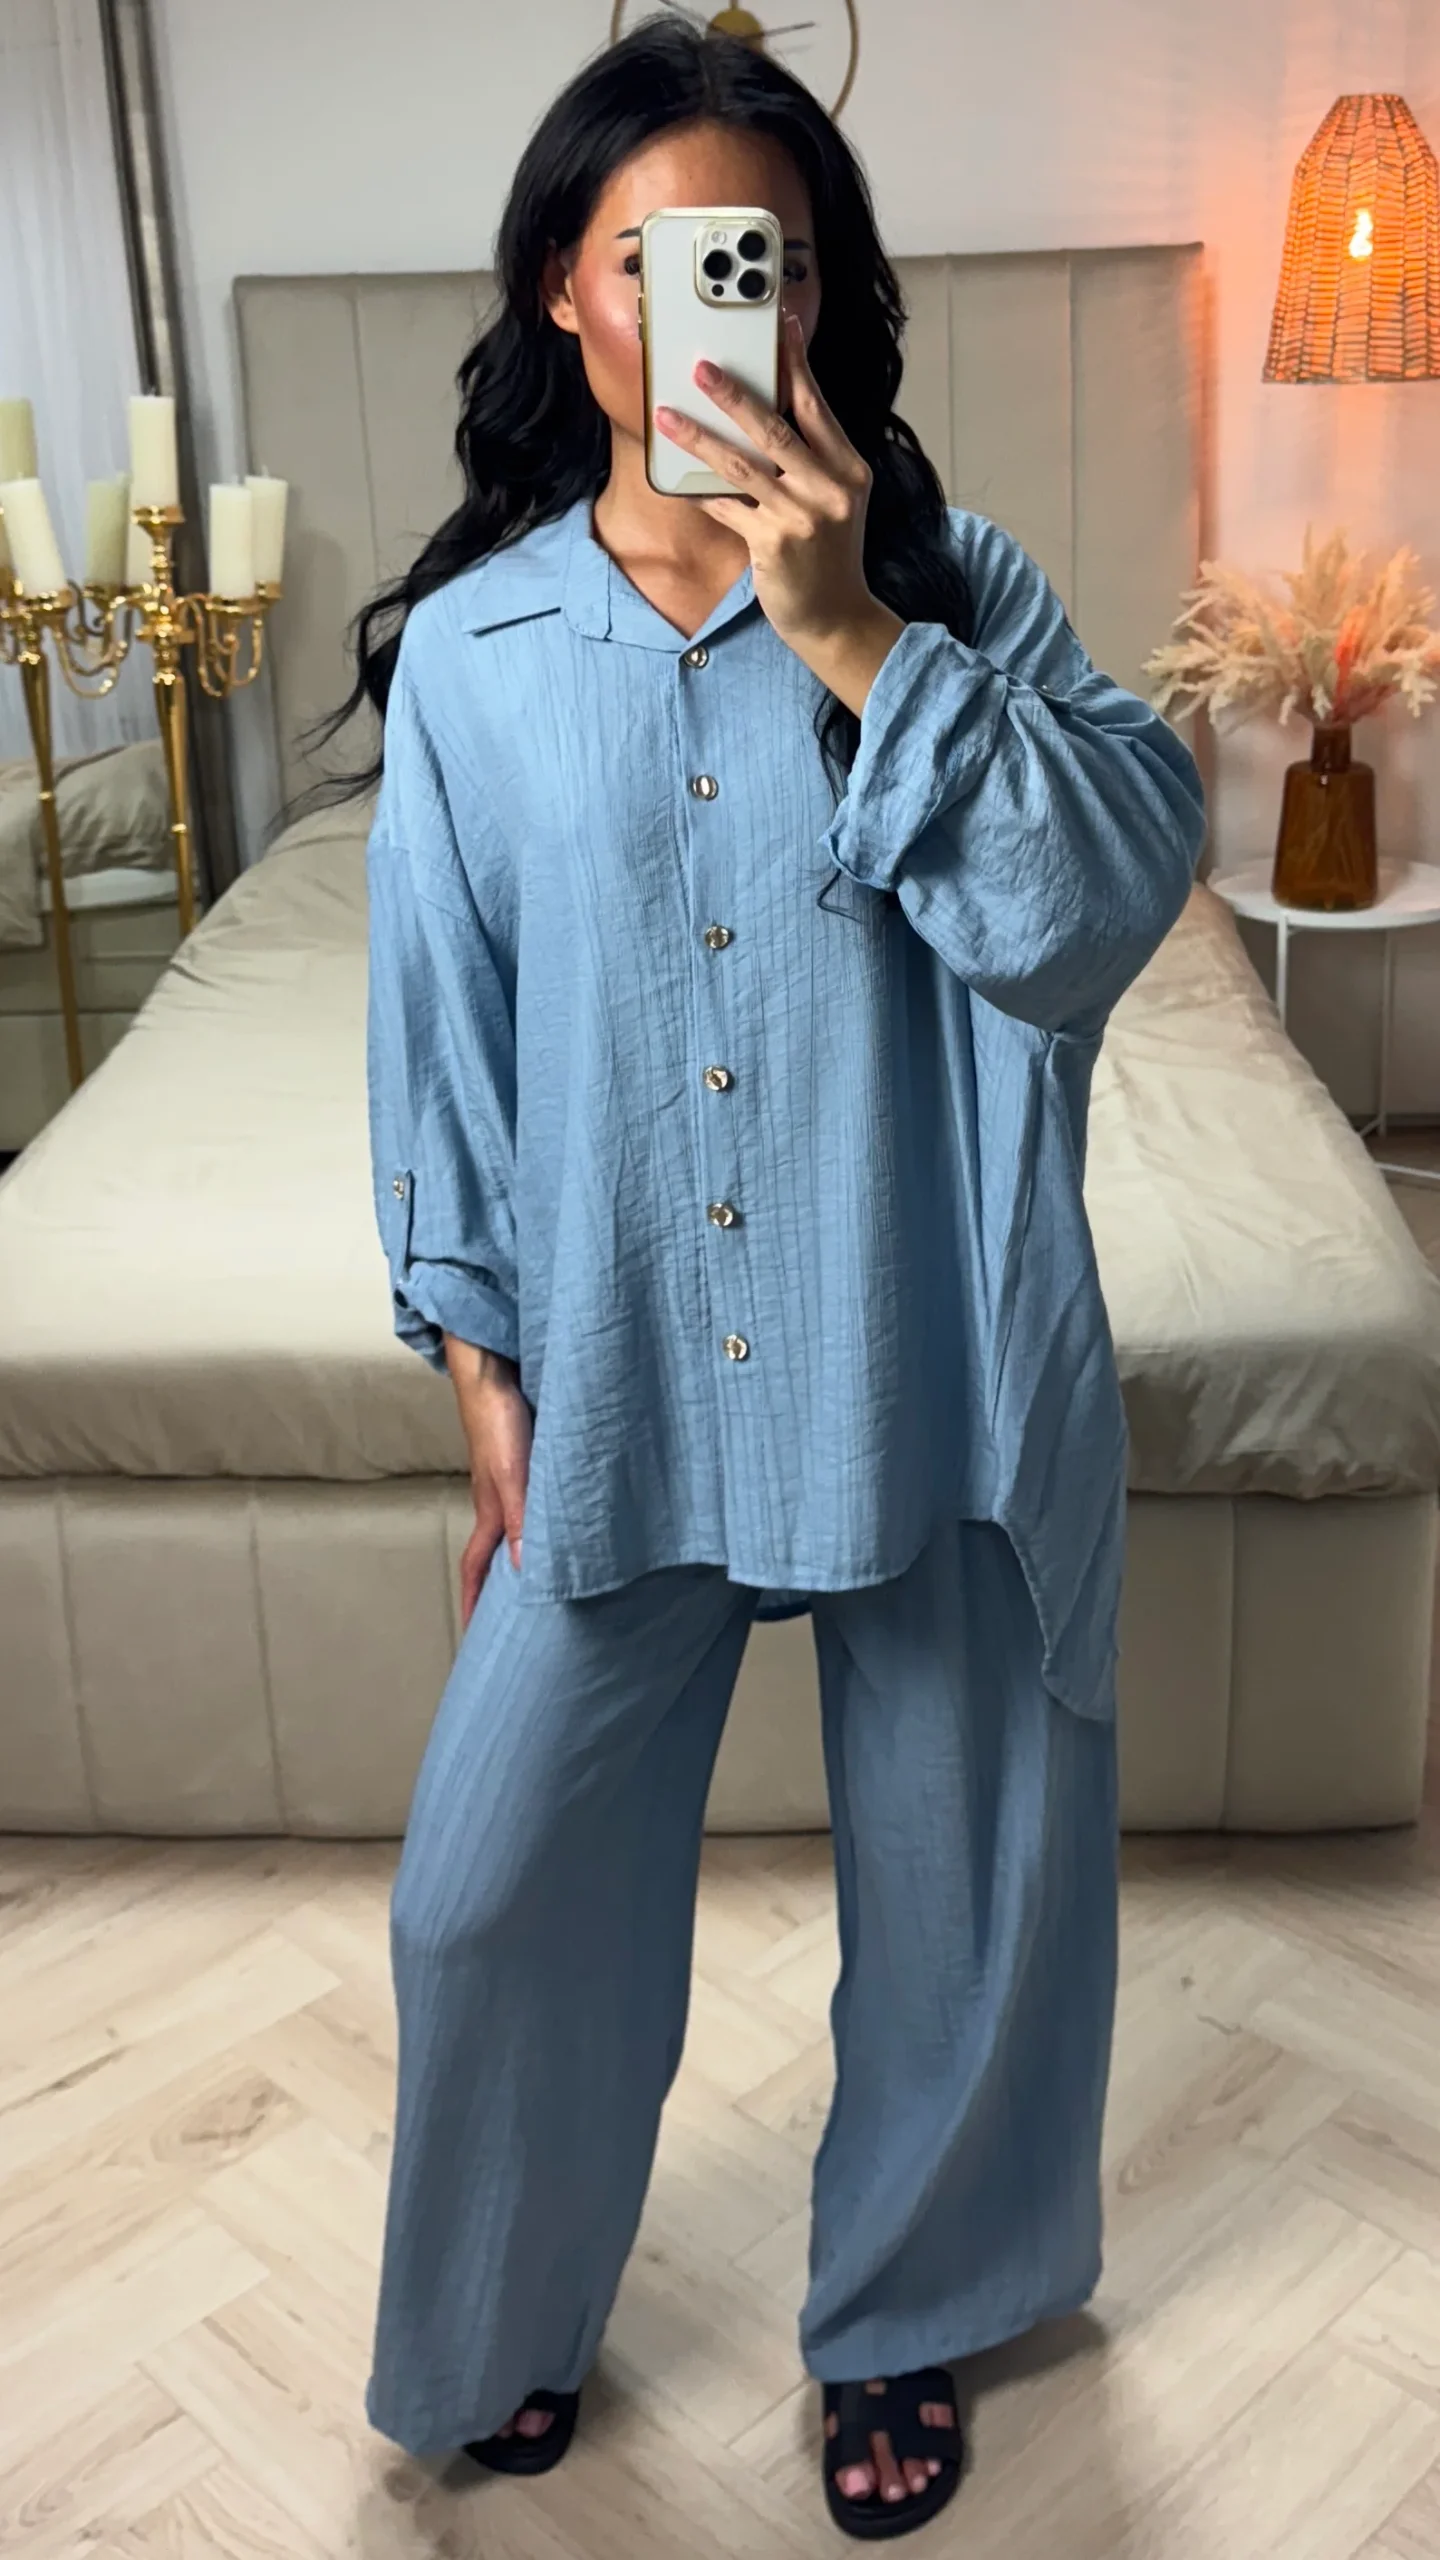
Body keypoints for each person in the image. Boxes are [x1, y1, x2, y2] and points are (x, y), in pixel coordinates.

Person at [337, 13, 1205, 2540]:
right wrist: (478, 1365)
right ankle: (502, 2305)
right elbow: (444, 1041)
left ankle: (908, 2307)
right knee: (482, 1892)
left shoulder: (959, 590)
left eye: (779, 260)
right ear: (567, 292)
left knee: (965, 1885)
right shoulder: (478, 658)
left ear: (824, 298)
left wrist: (855, 641)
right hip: (622, 1371)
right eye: (669, 257)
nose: (735, 302)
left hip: (929, 1355)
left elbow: (1096, 910)